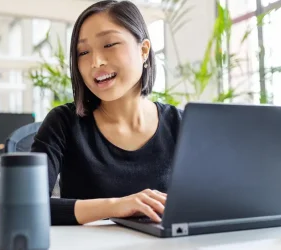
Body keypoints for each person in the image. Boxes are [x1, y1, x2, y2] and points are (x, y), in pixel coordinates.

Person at [30, 0, 183, 225]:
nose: (95, 62)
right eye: (83, 52)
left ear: (143, 50)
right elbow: (28, 205)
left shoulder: (181, 124)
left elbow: (216, 198)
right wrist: (116, 206)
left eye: (109, 44)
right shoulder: (62, 123)